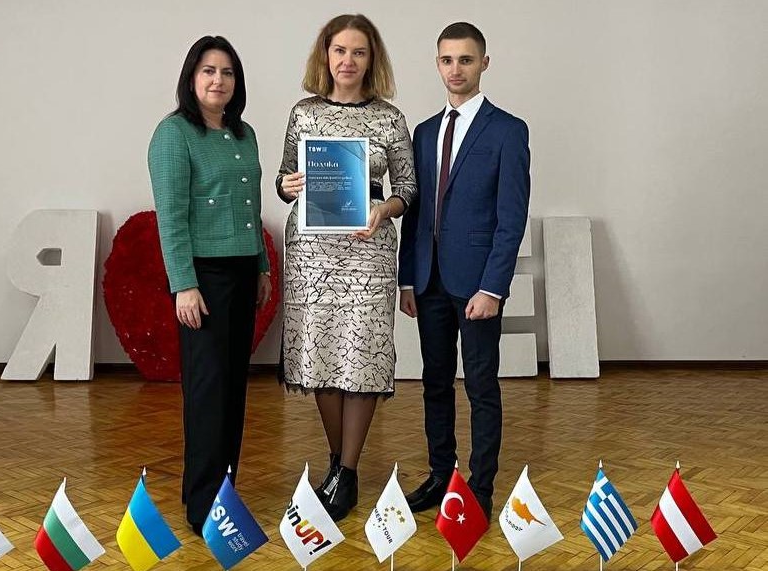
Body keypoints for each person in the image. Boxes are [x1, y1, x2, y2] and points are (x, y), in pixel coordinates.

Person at [277, 14, 417, 521]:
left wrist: (385, 208)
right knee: (322, 356)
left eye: (359, 52)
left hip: (368, 250)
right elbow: (284, 177)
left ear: (371, 59)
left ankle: (349, 472)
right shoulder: (303, 114)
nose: (348, 61)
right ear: (326, 55)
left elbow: (408, 187)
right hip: (312, 253)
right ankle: (338, 464)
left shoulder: (389, 119)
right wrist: (287, 186)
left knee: (362, 358)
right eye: (340, 50)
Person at [398, 22, 530, 519]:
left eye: (466, 60)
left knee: (480, 384)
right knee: (434, 381)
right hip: (429, 280)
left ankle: (480, 486)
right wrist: (407, 278)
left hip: (477, 284)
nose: (456, 69)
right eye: (447, 60)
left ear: (484, 64)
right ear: (438, 64)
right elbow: (414, 212)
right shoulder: (424, 132)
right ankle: (441, 476)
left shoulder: (508, 131)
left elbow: (511, 218)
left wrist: (493, 287)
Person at [147, 36, 271, 535]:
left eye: (227, 72)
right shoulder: (174, 134)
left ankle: (226, 491)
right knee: (206, 393)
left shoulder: (244, 134)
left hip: (242, 273)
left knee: (234, 390)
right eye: (208, 71)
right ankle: (202, 507)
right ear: (191, 78)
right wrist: (184, 284)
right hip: (203, 279)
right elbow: (171, 217)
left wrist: (262, 267)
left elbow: (251, 208)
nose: (218, 80)